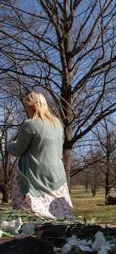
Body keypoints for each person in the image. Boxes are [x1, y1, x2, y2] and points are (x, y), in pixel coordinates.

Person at [8, 92, 73, 220]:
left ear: (33, 106)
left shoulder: (30, 124)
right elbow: (59, 149)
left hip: (34, 176)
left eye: (27, 106)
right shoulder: (58, 125)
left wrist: (9, 144)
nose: (27, 110)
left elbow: (16, 151)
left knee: (29, 217)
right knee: (59, 216)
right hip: (56, 175)